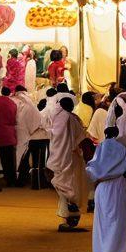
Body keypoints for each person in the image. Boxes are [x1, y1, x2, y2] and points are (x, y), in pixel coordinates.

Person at [86, 126, 126, 252]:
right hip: (118, 187)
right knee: (118, 221)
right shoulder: (123, 148)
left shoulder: (100, 148)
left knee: (103, 223)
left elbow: (91, 170)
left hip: (102, 188)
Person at [48, 97, 89, 232]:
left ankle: (67, 218)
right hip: (71, 158)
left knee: (64, 189)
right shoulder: (72, 119)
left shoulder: (56, 118)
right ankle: (71, 219)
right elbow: (81, 138)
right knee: (73, 187)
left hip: (58, 159)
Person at [0, 87, 18, 188]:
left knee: (3, 157)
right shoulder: (12, 103)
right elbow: (15, 118)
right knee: (11, 157)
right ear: (9, 93)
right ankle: (12, 179)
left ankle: (7, 178)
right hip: (10, 132)